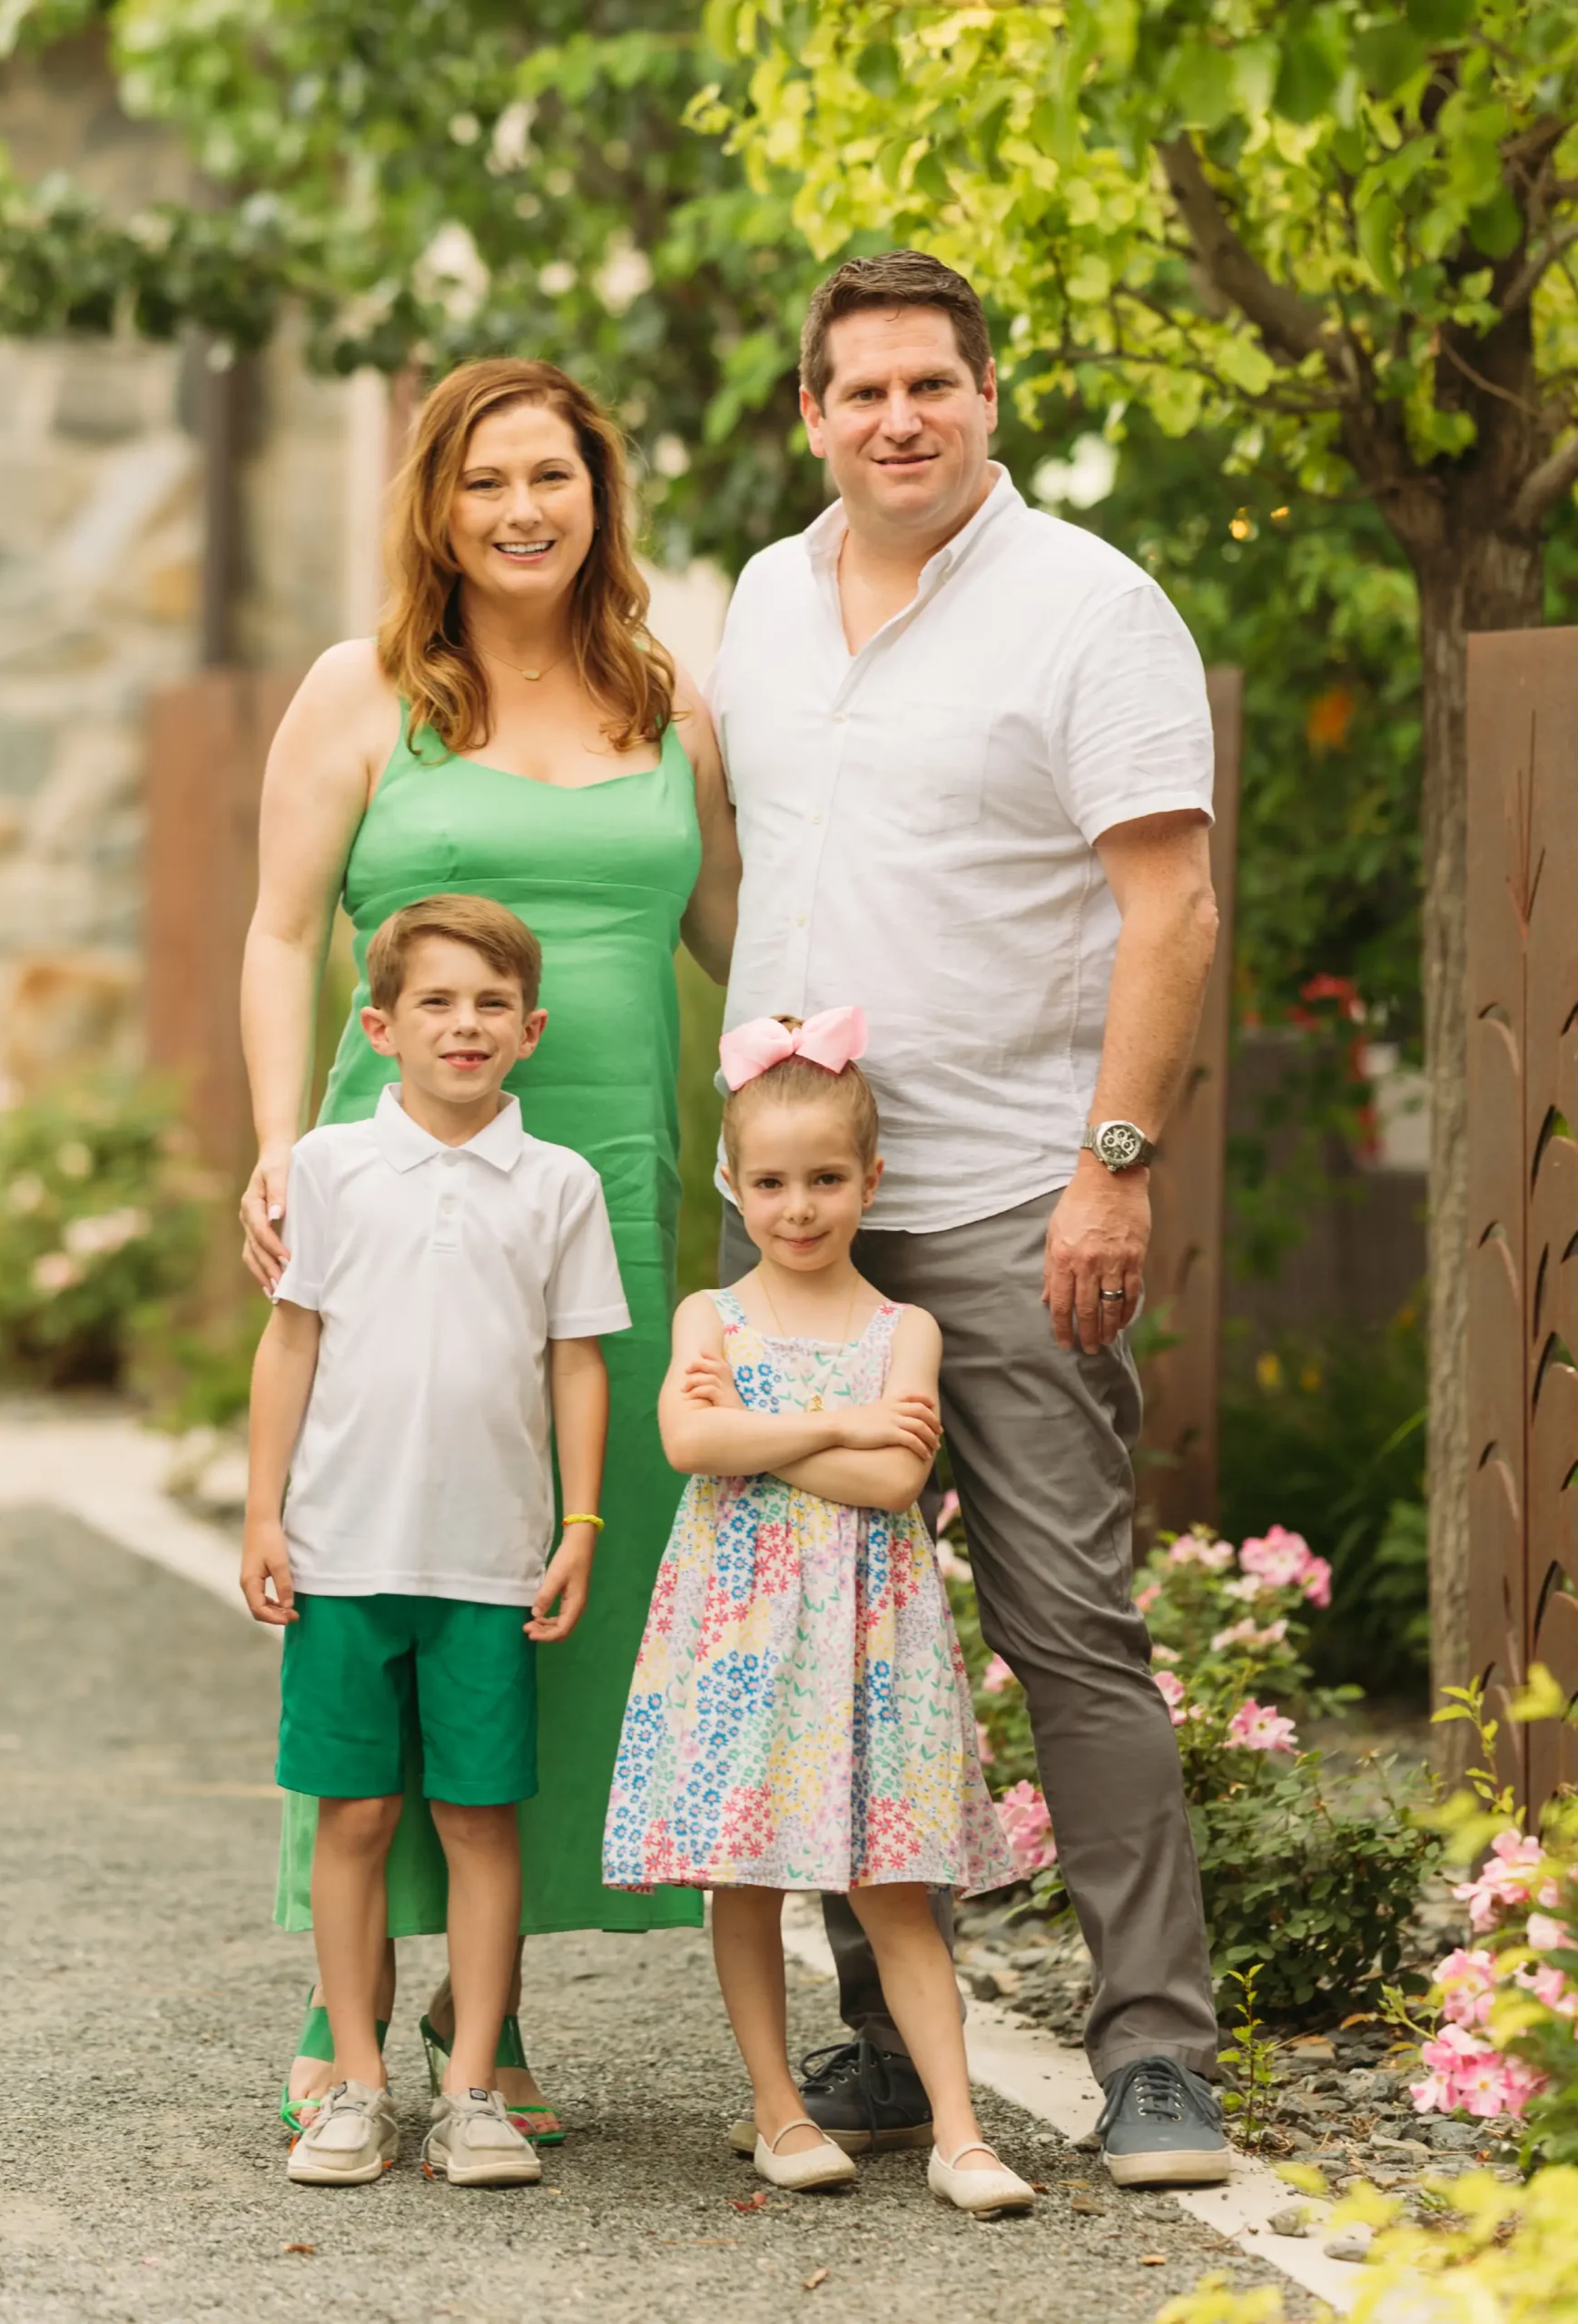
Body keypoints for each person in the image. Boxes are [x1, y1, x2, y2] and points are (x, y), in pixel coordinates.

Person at [709, 250, 1230, 2187]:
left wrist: (1112, 1158)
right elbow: (751, 871)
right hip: (799, 1236)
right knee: (833, 1638)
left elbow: (1164, 905)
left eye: (932, 382)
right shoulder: (760, 601)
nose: (897, 417)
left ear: (987, 393)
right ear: (809, 411)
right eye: (860, 390)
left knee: (1067, 1627)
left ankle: (1154, 2056)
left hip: (1012, 1196)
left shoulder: (1088, 608)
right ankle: (874, 2038)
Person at [237, 358, 739, 2141]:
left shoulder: (669, 703)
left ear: (600, 492)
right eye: (485, 481)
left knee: (555, 1593)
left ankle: (489, 2014)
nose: (522, 509)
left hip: (604, 1184)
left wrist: (799, 1131)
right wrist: (279, 1145)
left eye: (555, 474)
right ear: (434, 511)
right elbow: (281, 924)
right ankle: (347, 2009)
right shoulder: (359, 690)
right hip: (402, 1200)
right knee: (388, 1567)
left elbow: (737, 939)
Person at [604, 1011, 1030, 2215]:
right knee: (742, 1878)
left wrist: (765, 1436)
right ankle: (776, 2107)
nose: (800, 1208)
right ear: (734, 1186)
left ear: (869, 1182)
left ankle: (957, 2130)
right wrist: (841, 1422)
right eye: (775, 1183)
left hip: (870, 1647)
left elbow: (892, 1483)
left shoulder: (907, 1330)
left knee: (896, 1888)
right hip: (740, 1643)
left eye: (827, 1181)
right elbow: (690, 1440)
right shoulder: (709, 1317)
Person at [242, 894, 628, 2188]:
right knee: (350, 1814)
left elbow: (578, 1365)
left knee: (477, 1818)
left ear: (529, 1029)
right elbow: (289, 1342)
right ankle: (352, 2082)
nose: (463, 1025)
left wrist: (579, 1524)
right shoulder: (328, 1171)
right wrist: (260, 1512)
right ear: (381, 1026)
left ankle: (471, 2090)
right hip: (343, 1556)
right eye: (435, 1003)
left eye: (488, 1005)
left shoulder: (559, 1184)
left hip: (490, 1565)